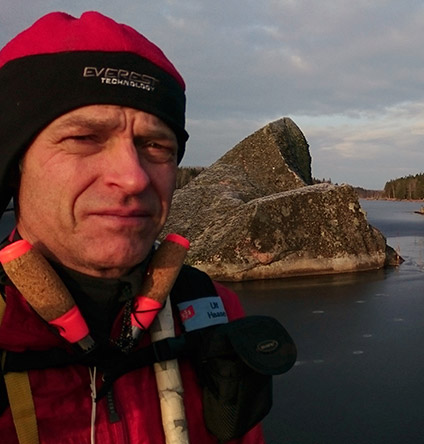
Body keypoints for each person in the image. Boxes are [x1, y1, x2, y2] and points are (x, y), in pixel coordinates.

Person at [0, 11, 293, 444]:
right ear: (15, 164)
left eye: (156, 146)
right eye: (84, 139)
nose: (134, 177)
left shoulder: (213, 312)